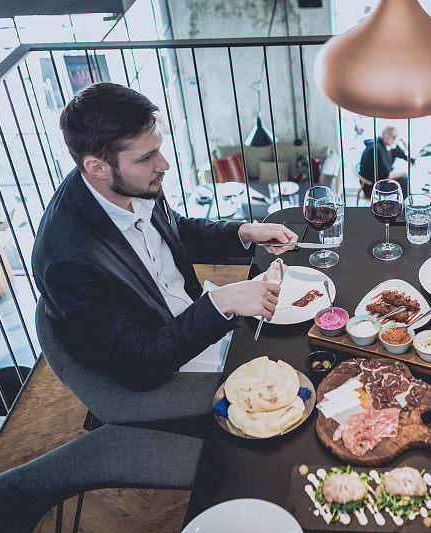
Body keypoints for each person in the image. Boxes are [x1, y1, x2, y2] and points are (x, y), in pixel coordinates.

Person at [32, 83, 297, 389]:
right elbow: (140, 363)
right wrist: (221, 302)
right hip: (166, 368)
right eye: (146, 158)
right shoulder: (68, 260)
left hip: (195, 321)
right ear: (97, 167)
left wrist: (244, 231)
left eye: (158, 148)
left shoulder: (129, 181)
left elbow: (175, 230)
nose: (164, 165)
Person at [358, 126, 414, 197]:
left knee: (405, 181)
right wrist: (405, 173)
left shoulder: (390, 146)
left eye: (396, 136)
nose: (394, 138)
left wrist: (404, 143)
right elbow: (388, 176)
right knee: (404, 182)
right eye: (392, 135)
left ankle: (406, 203)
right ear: (383, 135)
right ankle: (406, 205)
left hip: (381, 180)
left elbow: (411, 159)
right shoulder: (377, 149)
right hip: (372, 187)